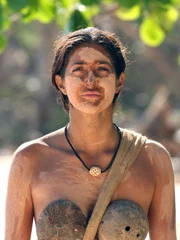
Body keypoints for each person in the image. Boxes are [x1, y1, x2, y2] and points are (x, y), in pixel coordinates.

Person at [5, 27, 176, 240]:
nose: (90, 80)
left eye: (102, 69)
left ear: (119, 81)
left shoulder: (152, 158)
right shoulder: (31, 159)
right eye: (78, 70)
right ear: (61, 83)